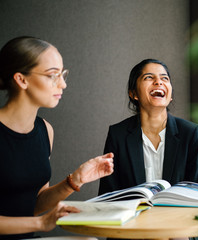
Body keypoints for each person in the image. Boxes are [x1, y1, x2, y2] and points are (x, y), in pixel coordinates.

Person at [0, 36, 114, 240]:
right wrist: (42, 223)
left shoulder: (45, 130)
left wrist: (75, 180)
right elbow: (38, 218)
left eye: (63, 75)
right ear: (21, 79)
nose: (62, 84)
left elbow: (34, 204)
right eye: (53, 75)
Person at [99, 58, 198, 195]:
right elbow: (108, 195)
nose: (158, 82)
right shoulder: (118, 135)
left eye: (164, 78)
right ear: (133, 94)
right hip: (133, 215)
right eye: (149, 77)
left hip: (177, 216)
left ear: (170, 95)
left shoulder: (190, 133)